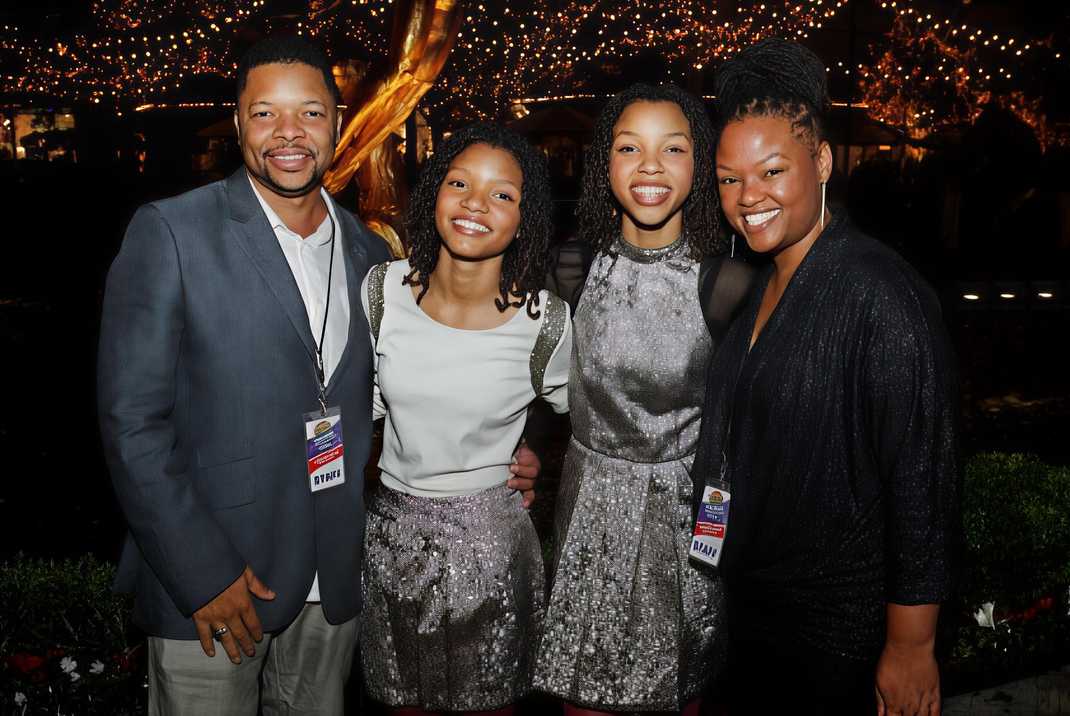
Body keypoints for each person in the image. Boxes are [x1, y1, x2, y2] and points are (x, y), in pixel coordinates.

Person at [97, 37, 539, 715]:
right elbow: (132, 424)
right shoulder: (173, 232)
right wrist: (200, 571)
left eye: (309, 113)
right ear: (241, 124)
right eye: (266, 114)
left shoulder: (371, 255)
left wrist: (501, 451)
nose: (288, 134)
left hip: (333, 580)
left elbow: (402, 390)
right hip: (216, 585)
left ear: (338, 122)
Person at [693, 38, 959, 715]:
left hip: (839, 634)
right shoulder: (760, 284)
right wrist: (711, 541)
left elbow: (922, 476)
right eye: (728, 179)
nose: (748, 196)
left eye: (772, 171)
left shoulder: (881, 293)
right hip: (753, 612)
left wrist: (911, 646)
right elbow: (732, 443)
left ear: (822, 162)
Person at [533, 83, 753, 716]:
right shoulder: (570, 270)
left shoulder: (728, 283)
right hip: (586, 522)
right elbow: (528, 383)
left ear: (699, 165)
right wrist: (520, 451)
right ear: (606, 161)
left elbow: (744, 431)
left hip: (681, 530)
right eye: (630, 147)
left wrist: (716, 537)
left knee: (677, 694)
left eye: (673, 149)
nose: (650, 166)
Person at [357, 123, 572, 715]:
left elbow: (588, 420)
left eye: (502, 194)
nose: (477, 204)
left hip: (491, 549)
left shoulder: (544, 321)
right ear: (434, 196)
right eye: (460, 184)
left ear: (524, 218)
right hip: (391, 543)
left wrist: (534, 451)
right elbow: (362, 405)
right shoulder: (382, 292)